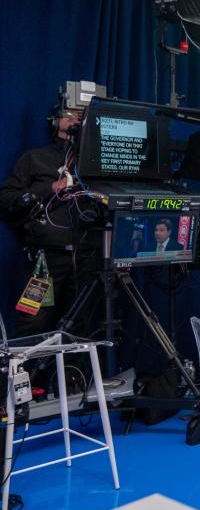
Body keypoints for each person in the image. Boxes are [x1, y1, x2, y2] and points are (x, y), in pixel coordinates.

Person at [0, 103, 99, 337]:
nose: (74, 119)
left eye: (80, 116)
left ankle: (73, 374)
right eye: (69, 114)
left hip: (87, 259)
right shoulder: (35, 158)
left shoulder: (94, 163)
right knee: (32, 320)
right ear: (54, 121)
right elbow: (6, 198)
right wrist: (51, 187)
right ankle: (21, 373)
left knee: (81, 326)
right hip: (45, 261)